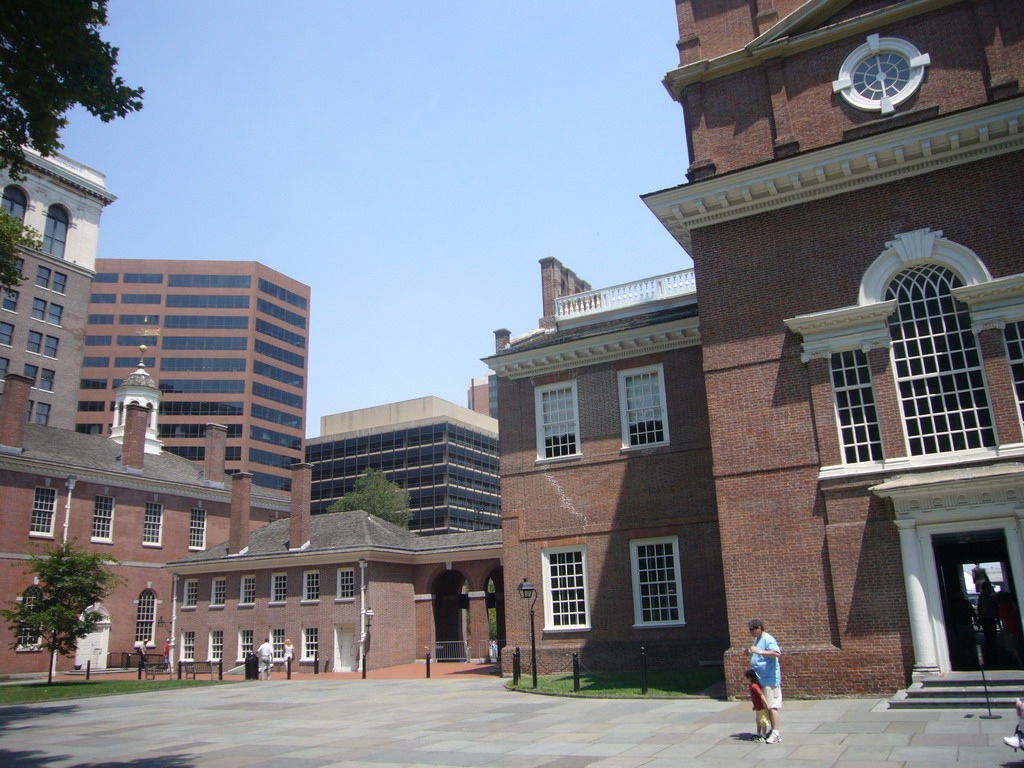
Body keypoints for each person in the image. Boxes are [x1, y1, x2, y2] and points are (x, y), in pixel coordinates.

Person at [748, 619, 782, 744]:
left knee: (772, 706)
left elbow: (776, 653)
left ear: (759, 628)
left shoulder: (768, 639)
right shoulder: (757, 639)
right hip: (761, 679)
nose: (750, 632)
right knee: (766, 706)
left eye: (752, 629)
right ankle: (771, 731)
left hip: (770, 679)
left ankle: (776, 733)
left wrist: (759, 651)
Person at [744, 669, 771, 742]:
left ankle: (764, 735)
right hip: (758, 707)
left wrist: (766, 704)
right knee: (758, 721)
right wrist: (754, 706)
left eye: (746, 678)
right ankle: (758, 734)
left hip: (761, 707)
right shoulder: (751, 686)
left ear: (750, 678)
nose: (745, 679)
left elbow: (761, 695)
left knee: (763, 721)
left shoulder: (754, 686)